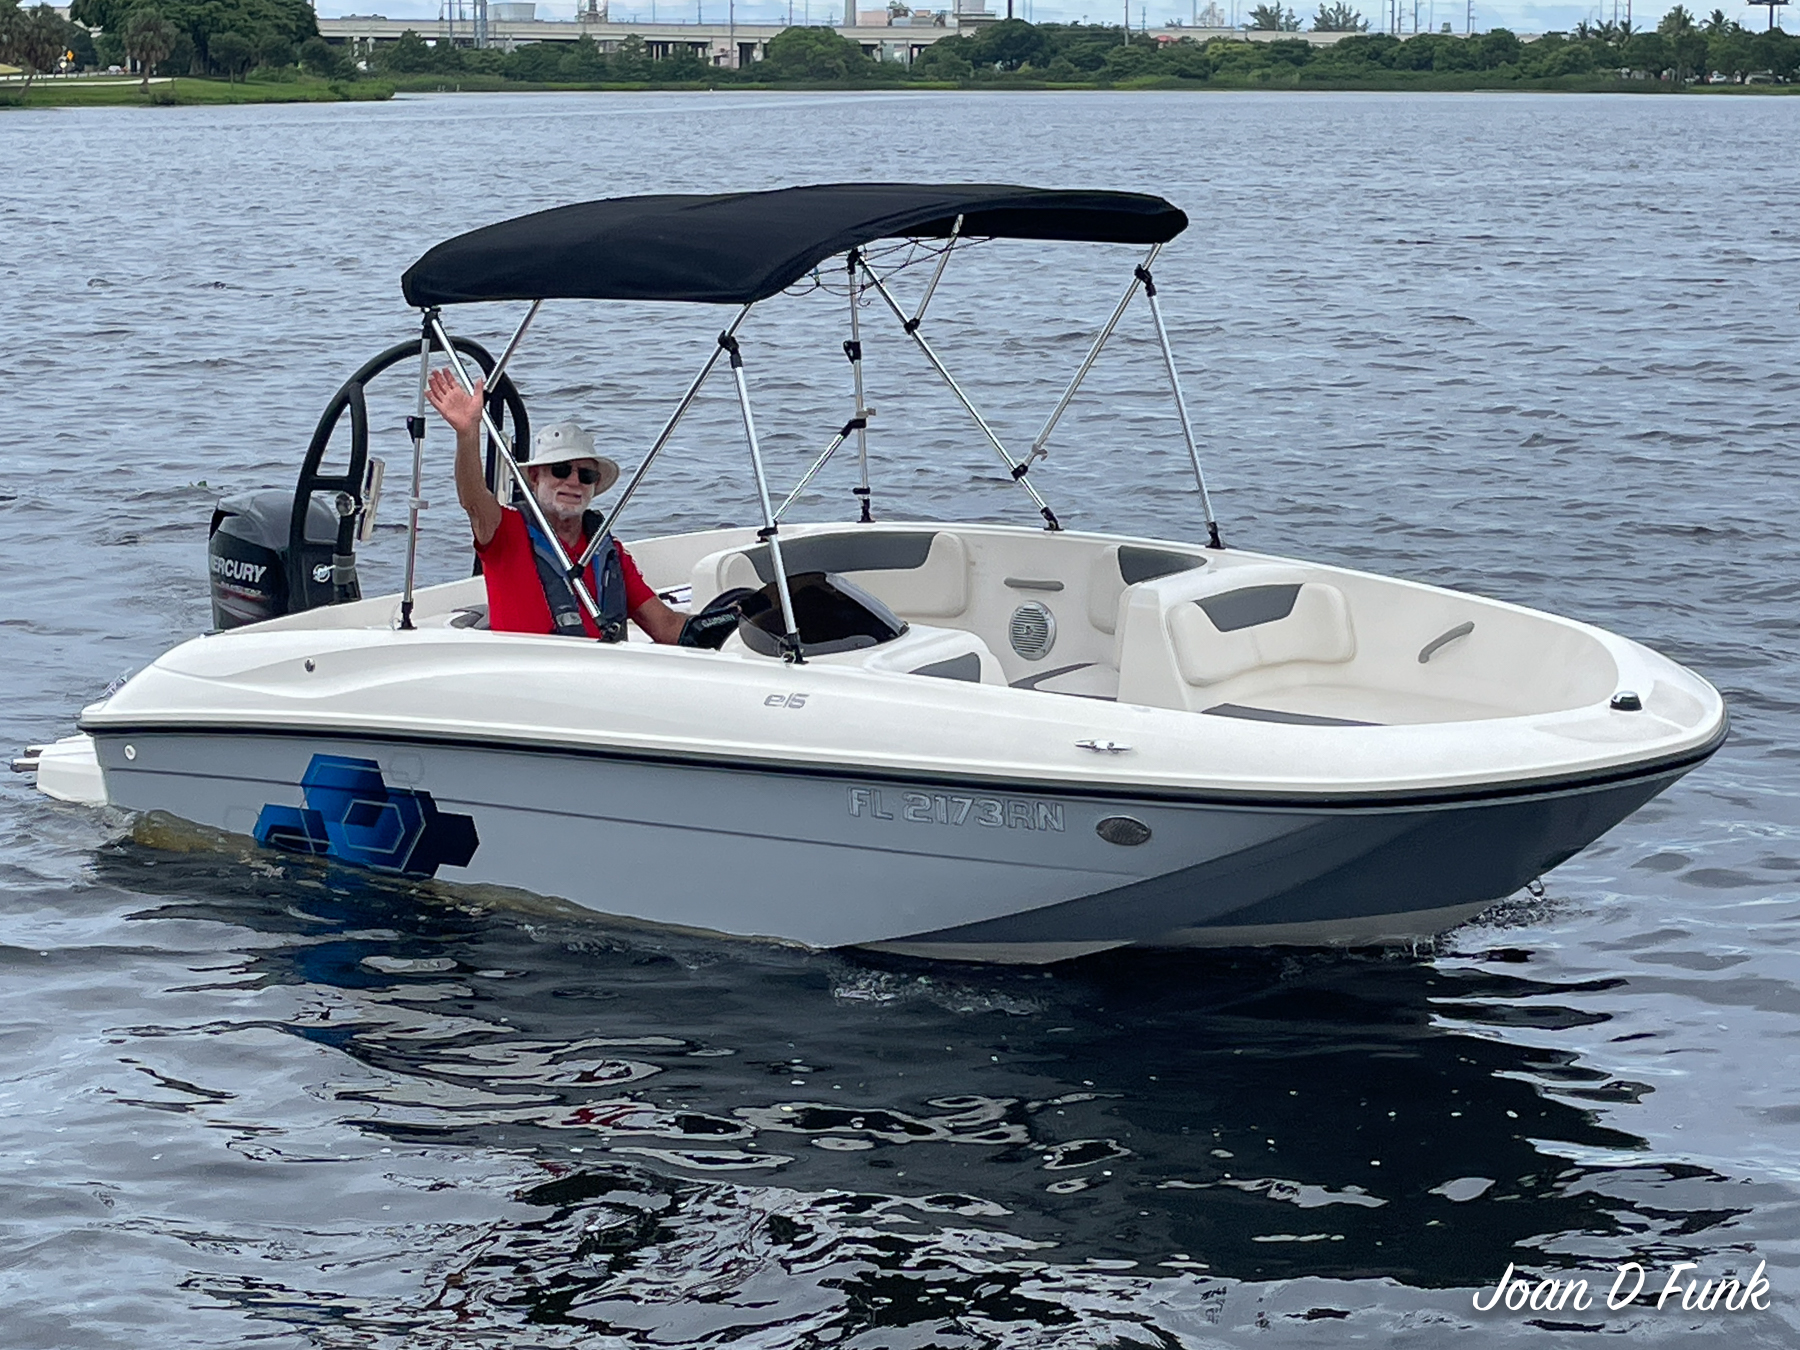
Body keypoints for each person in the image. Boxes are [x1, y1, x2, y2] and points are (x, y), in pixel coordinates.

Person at [425, 368, 686, 644]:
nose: (573, 482)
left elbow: (666, 626)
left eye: (586, 475)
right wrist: (467, 434)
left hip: (603, 668)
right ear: (535, 478)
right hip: (527, 668)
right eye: (561, 470)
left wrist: (715, 624)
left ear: (595, 485)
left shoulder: (609, 551)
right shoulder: (505, 531)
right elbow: (473, 499)